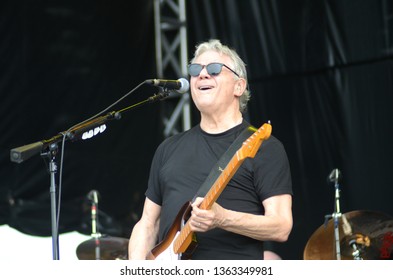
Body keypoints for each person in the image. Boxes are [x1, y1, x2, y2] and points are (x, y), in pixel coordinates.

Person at [128, 39, 293, 260]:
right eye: (195, 70)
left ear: (239, 86)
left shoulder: (264, 146)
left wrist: (222, 218)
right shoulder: (168, 148)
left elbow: (281, 226)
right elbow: (148, 223)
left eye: (214, 69)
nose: (202, 75)